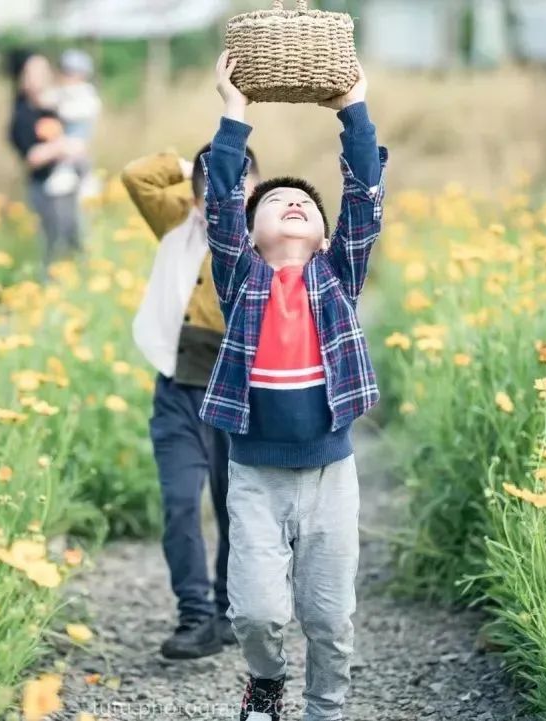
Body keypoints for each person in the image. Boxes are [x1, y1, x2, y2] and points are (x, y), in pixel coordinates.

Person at [199, 51, 387, 721]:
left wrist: (353, 109)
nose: (293, 204)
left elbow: (364, 197)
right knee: (255, 611)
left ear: (325, 233)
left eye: (305, 203)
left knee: (330, 614)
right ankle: (267, 680)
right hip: (254, 472)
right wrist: (234, 111)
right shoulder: (241, 277)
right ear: (249, 236)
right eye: (276, 202)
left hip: (329, 474)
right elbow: (219, 201)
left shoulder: (336, 276)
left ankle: (326, 708)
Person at [122, 142, 261, 660]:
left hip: (239, 391)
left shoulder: (264, 240)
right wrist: (195, 168)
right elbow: (138, 175)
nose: (229, 211)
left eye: (241, 197)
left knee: (236, 507)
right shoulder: (179, 222)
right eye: (216, 200)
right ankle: (196, 616)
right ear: (199, 202)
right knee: (181, 503)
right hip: (177, 388)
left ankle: (227, 609)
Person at [6, 49, 84, 270]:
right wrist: (61, 147)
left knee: (76, 241)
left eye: (44, 70)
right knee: (53, 246)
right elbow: (31, 157)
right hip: (44, 190)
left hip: (70, 184)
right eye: (35, 71)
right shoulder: (22, 115)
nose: (42, 76)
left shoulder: (55, 107)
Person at [43, 49, 102, 198]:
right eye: (65, 71)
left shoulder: (86, 93)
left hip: (77, 138)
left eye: (71, 72)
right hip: (64, 139)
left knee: (77, 157)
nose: (67, 76)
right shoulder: (60, 92)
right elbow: (48, 99)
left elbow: (83, 111)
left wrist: (61, 109)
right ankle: (67, 176)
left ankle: (82, 180)